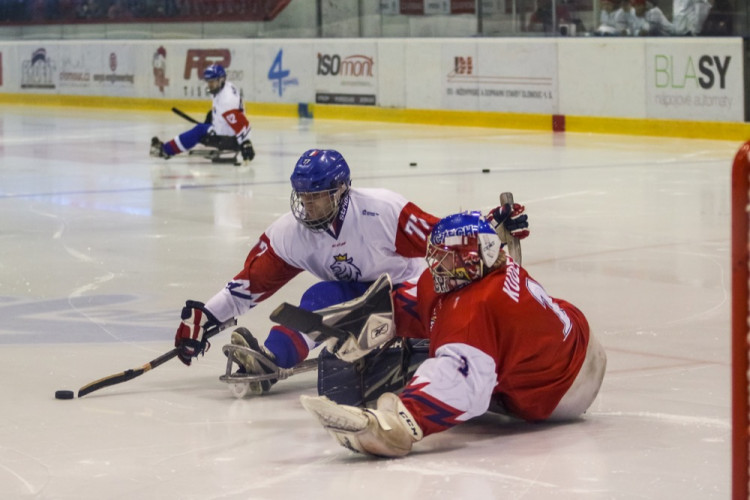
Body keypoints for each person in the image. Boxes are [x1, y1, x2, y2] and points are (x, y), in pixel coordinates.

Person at [172, 150, 530, 396]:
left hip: (404, 295)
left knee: (351, 303)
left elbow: (440, 235)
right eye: (302, 196)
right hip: (352, 300)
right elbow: (250, 285)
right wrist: (206, 318)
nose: (307, 205)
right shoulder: (289, 234)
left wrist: (491, 224)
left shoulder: (382, 211)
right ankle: (268, 363)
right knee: (320, 298)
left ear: (341, 190)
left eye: (317, 196)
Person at [300, 211, 607, 458]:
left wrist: (399, 422)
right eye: (436, 256)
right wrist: (368, 318)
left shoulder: (479, 309)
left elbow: (462, 382)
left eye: (448, 259)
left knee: (450, 354)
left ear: (476, 258)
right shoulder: (484, 268)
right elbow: (433, 290)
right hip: (571, 331)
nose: (437, 266)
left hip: (564, 389)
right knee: (436, 307)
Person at [150, 63, 255, 163]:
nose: (210, 85)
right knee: (204, 126)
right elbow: (229, 114)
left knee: (199, 131)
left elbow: (241, 123)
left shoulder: (226, 100)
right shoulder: (225, 87)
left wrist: (246, 143)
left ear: (221, 80)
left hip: (229, 138)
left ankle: (166, 150)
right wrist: (213, 116)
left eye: (213, 82)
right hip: (229, 132)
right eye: (208, 82)